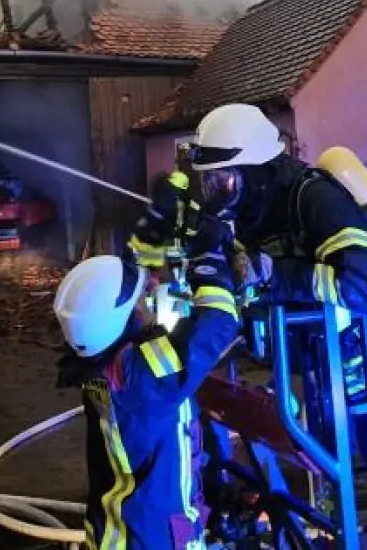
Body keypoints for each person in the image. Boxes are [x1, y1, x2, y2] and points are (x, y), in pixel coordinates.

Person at [185, 103, 367, 395]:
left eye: (222, 181)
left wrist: (273, 274)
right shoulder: (256, 215)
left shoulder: (315, 199)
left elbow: (362, 288)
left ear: (253, 172)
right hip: (334, 373)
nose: (215, 196)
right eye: (208, 183)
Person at [53, 209, 240, 550]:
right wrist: (209, 262)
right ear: (119, 323)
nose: (150, 292)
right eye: (141, 299)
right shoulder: (143, 378)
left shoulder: (101, 367)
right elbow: (218, 324)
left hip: (119, 535)